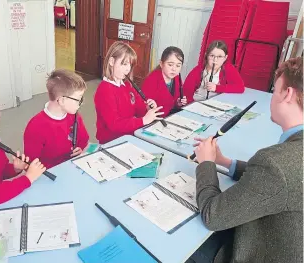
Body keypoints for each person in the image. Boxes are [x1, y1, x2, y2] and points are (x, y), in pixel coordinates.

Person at [188, 57, 303, 263]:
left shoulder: (275, 163)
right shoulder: (284, 160)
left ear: (288, 94)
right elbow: (273, 183)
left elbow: (213, 216)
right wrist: (224, 161)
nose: (272, 97)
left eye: (274, 90)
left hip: (259, 251)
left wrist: (206, 164)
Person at [94, 41, 163, 144]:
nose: (128, 69)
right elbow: (114, 124)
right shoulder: (104, 90)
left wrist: (147, 108)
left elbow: (138, 109)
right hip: (112, 142)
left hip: (129, 136)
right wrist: (143, 121)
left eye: (130, 65)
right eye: (124, 64)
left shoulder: (127, 86)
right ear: (112, 62)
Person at [24, 70, 89, 169]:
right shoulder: (36, 127)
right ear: (62, 100)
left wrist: (80, 148)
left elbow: (84, 139)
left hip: (72, 166)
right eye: (78, 99)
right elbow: (30, 164)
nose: (81, 103)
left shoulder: (75, 116)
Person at [141, 46, 187, 117]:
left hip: (169, 116)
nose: (174, 69)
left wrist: (178, 102)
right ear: (161, 63)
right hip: (155, 118)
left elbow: (174, 102)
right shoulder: (152, 79)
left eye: (178, 66)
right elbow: (143, 106)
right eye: (170, 65)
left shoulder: (177, 78)